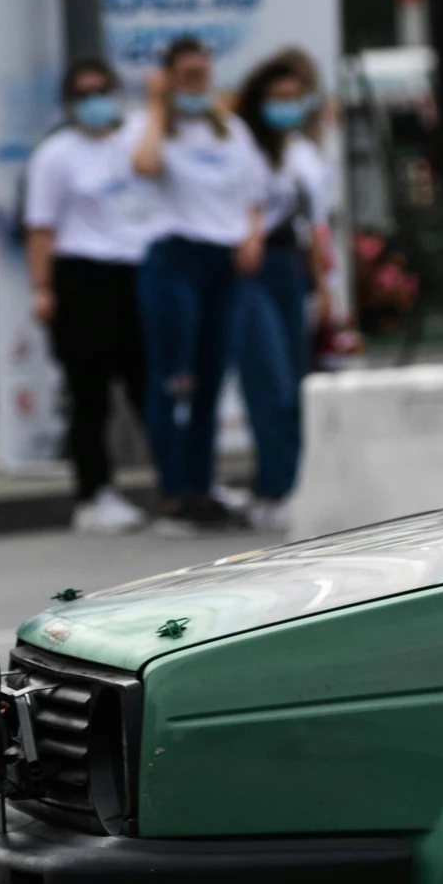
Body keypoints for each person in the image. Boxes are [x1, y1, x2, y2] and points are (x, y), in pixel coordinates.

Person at [131, 34, 267, 534]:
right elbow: (143, 164)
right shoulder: (153, 129)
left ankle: (202, 486)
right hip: (175, 258)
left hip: (224, 262)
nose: (197, 85)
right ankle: (174, 491)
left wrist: (251, 237)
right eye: (186, 76)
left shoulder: (230, 130)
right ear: (169, 78)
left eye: (202, 76)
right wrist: (155, 104)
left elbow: (253, 196)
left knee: (211, 379)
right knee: (174, 378)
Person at [24, 56, 155, 534]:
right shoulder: (56, 154)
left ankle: (180, 486)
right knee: (89, 396)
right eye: (84, 94)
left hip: (136, 274)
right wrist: (42, 288)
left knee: (150, 389)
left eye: (102, 90)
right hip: (82, 279)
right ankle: (93, 494)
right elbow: (40, 228)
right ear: (69, 103)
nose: (95, 101)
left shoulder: (138, 135)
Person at [232, 48, 335, 529]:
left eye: (294, 96)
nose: (285, 105)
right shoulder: (242, 145)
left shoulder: (305, 151)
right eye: (277, 97)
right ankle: (276, 487)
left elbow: (314, 226)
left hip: (290, 267)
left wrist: (322, 285)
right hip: (251, 266)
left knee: (295, 384)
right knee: (267, 380)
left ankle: (288, 481)